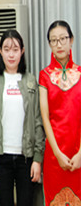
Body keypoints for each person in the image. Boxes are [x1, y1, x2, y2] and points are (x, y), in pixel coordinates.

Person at [0, 29, 44, 206]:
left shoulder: (30, 80)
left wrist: (37, 159)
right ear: (0, 51)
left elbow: (38, 121)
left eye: (15, 49)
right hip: (1, 157)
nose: (11, 54)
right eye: (7, 49)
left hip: (26, 158)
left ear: (22, 51)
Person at [39, 20, 81, 204]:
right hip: (55, 156)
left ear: (71, 40)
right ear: (49, 44)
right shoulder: (44, 75)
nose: (59, 44)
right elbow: (45, 118)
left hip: (79, 154)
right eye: (54, 40)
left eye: (63, 38)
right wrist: (57, 154)